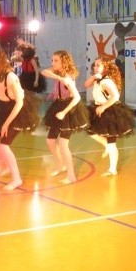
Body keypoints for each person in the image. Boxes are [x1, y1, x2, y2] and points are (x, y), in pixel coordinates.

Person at [0, 47, 40, 190]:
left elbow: (19, 103)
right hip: (5, 108)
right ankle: (7, 164)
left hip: (18, 111)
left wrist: (6, 124)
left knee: (3, 144)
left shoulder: (11, 77)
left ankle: (17, 179)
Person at [41, 50, 90, 184]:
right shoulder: (59, 74)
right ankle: (60, 165)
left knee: (63, 144)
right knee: (50, 141)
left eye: (56, 60)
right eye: (52, 60)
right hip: (58, 106)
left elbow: (77, 97)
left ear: (64, 62)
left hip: (68, 110)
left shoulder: (68, 77)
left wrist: (64, 112)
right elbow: (43, 72)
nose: (53, 63)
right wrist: (58, 79)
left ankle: (71, 176)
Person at [84, 57, 135, 176]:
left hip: (110, 111)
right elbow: (86, 84)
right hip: (99, 108)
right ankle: (105, 145)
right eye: (94, 65)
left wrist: (104, 107)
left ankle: (113, 169)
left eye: (98, 65)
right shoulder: (98, 80)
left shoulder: (106, 81)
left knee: (111, 141)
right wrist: (93, 77)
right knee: (90, 130)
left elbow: (115, 96)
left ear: (105, 67)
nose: (95, 67)